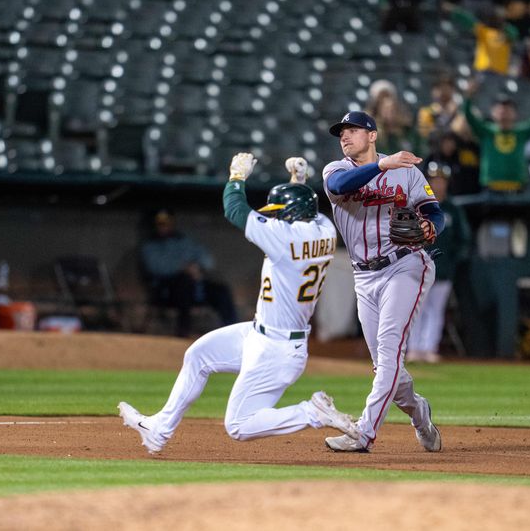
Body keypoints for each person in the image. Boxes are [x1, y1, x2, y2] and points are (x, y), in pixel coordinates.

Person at [118, 153, 358, 454]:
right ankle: (159, 429)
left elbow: (234, 209)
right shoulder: (324, 227)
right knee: (199, 355)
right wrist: (298, 182)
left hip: (276, 348)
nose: (274, 217)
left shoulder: (283, 238)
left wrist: (236, 176)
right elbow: (302, 212)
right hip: (265, 334)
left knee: (238, 426)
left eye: (279, 212)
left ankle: (311, 412)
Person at [321, 110, 444, 453]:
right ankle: (420, 413)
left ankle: (363, 433)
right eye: (341, 132)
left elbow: (434, 210)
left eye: (352, 130)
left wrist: (431, 227)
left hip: (404, 266)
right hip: (364, 276)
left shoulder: (407, 170)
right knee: (385, 369)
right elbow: (338, 188)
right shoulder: (337, 170)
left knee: (389, 356)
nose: (344, 136)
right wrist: (381, 167)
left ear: (372, 135)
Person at [139, 208, 237, 337]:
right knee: (183, 283)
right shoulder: (150, 246)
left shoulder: (183, 241)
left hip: (194, 286)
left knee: (221, 291)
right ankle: (183, 332)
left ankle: (231, 332)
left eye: (167, 223)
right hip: (167, 290)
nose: (164, 227)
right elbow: (156, 267)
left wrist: (197, 267)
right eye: (161, 224)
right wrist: (182, 268)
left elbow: (207, 260)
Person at [408, 171, 472, 363]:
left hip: (444, 269)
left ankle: (429, 348)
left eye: (442, 180)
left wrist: (454, 260)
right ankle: (414, 349)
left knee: (436, 309)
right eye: (435, 179)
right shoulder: (418, 205)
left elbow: (463, 239)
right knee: (416, 310)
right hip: (418, 268)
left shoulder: (452, 209)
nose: (438, 183)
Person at [462, 83, 530, 192]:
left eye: (508, 109)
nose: (504, 112)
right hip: (491, 187)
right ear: (493, 113)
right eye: (500, 109)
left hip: (517, 187)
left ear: (515, 114)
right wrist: (468, 96)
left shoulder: (521, 132)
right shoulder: (486, 131)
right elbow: (469, 116)